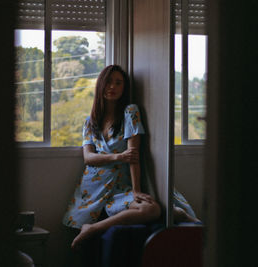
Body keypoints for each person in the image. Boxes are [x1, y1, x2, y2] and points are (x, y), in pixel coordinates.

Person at [62, 65, 198, 249]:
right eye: (109, 82)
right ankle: (186, 219)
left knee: (151, 209)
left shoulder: (130, 112)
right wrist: (119, 157)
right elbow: (88, 158)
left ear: (124, 88)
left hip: (119, 189)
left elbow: (133, 156)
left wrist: (136, 190)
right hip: (93, 188)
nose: (112, 87)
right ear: (101, 85)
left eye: (118, 83)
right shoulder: (90, 121)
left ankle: (92, 228)